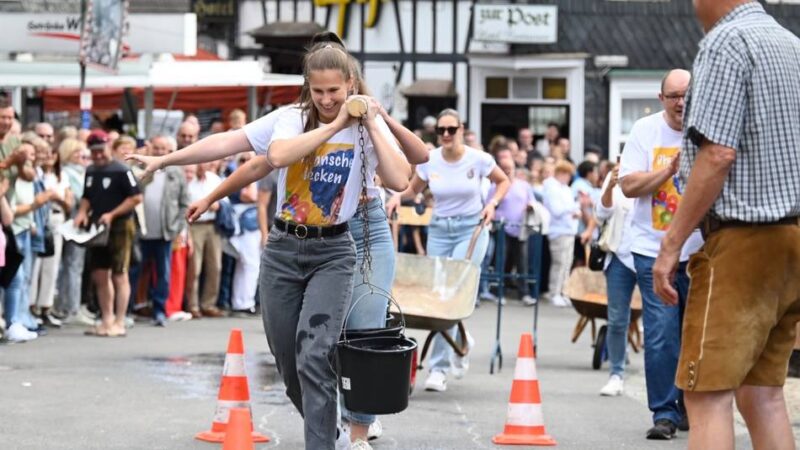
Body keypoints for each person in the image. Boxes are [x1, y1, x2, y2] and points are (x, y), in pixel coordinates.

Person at [652, 2, 800, 449]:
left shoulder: (726, 42)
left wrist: (671, 244)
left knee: (705, 393)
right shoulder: (791, 44)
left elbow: (717, 154)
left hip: (742, 240)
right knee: (762, 393)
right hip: (791, 234)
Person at [387, 108, 510, 393]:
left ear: (461, 129)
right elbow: (412, 189)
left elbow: (503, 181)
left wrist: (492, 204)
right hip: (440, 228)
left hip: (472, 228)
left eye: (450, 130)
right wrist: (396, 198)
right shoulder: (430, 161)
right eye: (440, 130)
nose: (444, 135)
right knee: (440, 295)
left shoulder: (478, 159)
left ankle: (441, 365)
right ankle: (457, 345)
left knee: (457, 290)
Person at [618, 69, 703, 440]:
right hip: (651, 249)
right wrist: (668, 170)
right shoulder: (644, 130)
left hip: (702, 251)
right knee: (661, 333)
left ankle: (688, 404)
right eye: (673, 96)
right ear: (661, 97)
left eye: (686, 94)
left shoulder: (709, 126)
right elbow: (628, 185)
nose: (681, 102)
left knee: (696, 334)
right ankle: (665, 412)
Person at [74, 130, 142, 337]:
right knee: (99, 273)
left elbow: (136, 197)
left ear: (108, 149)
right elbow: (87, 197)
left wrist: (112, 214)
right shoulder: (91, 171)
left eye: (101, 151)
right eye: (93, 152)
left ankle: (120, 321)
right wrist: (82, 213)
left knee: (120, 273)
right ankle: (106, 319)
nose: (98, 156)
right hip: (98, 226)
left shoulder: (122, 170)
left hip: (121, 224)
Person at [137, 135, 189, 326]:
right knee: (135, 271)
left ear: (170, 152)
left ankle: (159, 310)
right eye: (156, 148)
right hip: (141, 231)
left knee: (163, 274)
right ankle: (128, 310)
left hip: (165, 232)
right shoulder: (141, 170)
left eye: (163, 149)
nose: (159, 152)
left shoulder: (176, 173)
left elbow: (185, 202)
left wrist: (176, 228)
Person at [595, 162, 636, 396]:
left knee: (658, 323)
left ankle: (660, 381)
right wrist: (610, 186)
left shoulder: (653, 171)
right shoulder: (618, 174)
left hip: (651, 254)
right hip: (620, 256)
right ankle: (616, 374)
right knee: (618, 319)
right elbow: (601, 214)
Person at [541, 161, 579, 308]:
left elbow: (567, 208)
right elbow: (556, 210)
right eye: (568, 175)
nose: (569, 178)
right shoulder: (552, 188)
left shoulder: (565, 189)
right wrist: (572, 209)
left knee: (566, 263)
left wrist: (574, 211)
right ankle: (554, 293)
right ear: (562, 173)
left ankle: (563, 292)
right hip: (558, 231)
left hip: (568, 230)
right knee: (559, 263)